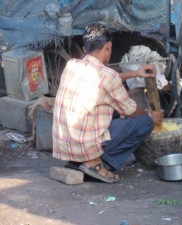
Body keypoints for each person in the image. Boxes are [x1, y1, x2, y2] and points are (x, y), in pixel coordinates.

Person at [52, 22, 164, 183]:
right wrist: (150, 115)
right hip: (86, 147)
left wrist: (135, 73)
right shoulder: (107, 76)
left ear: (85, 49)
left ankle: (79, 161)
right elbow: (130, 111)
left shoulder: (72, 65)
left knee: (114, 111)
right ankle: (95, 163)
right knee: (145, 122)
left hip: (66, 147)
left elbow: (105, 81)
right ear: (108, 46)